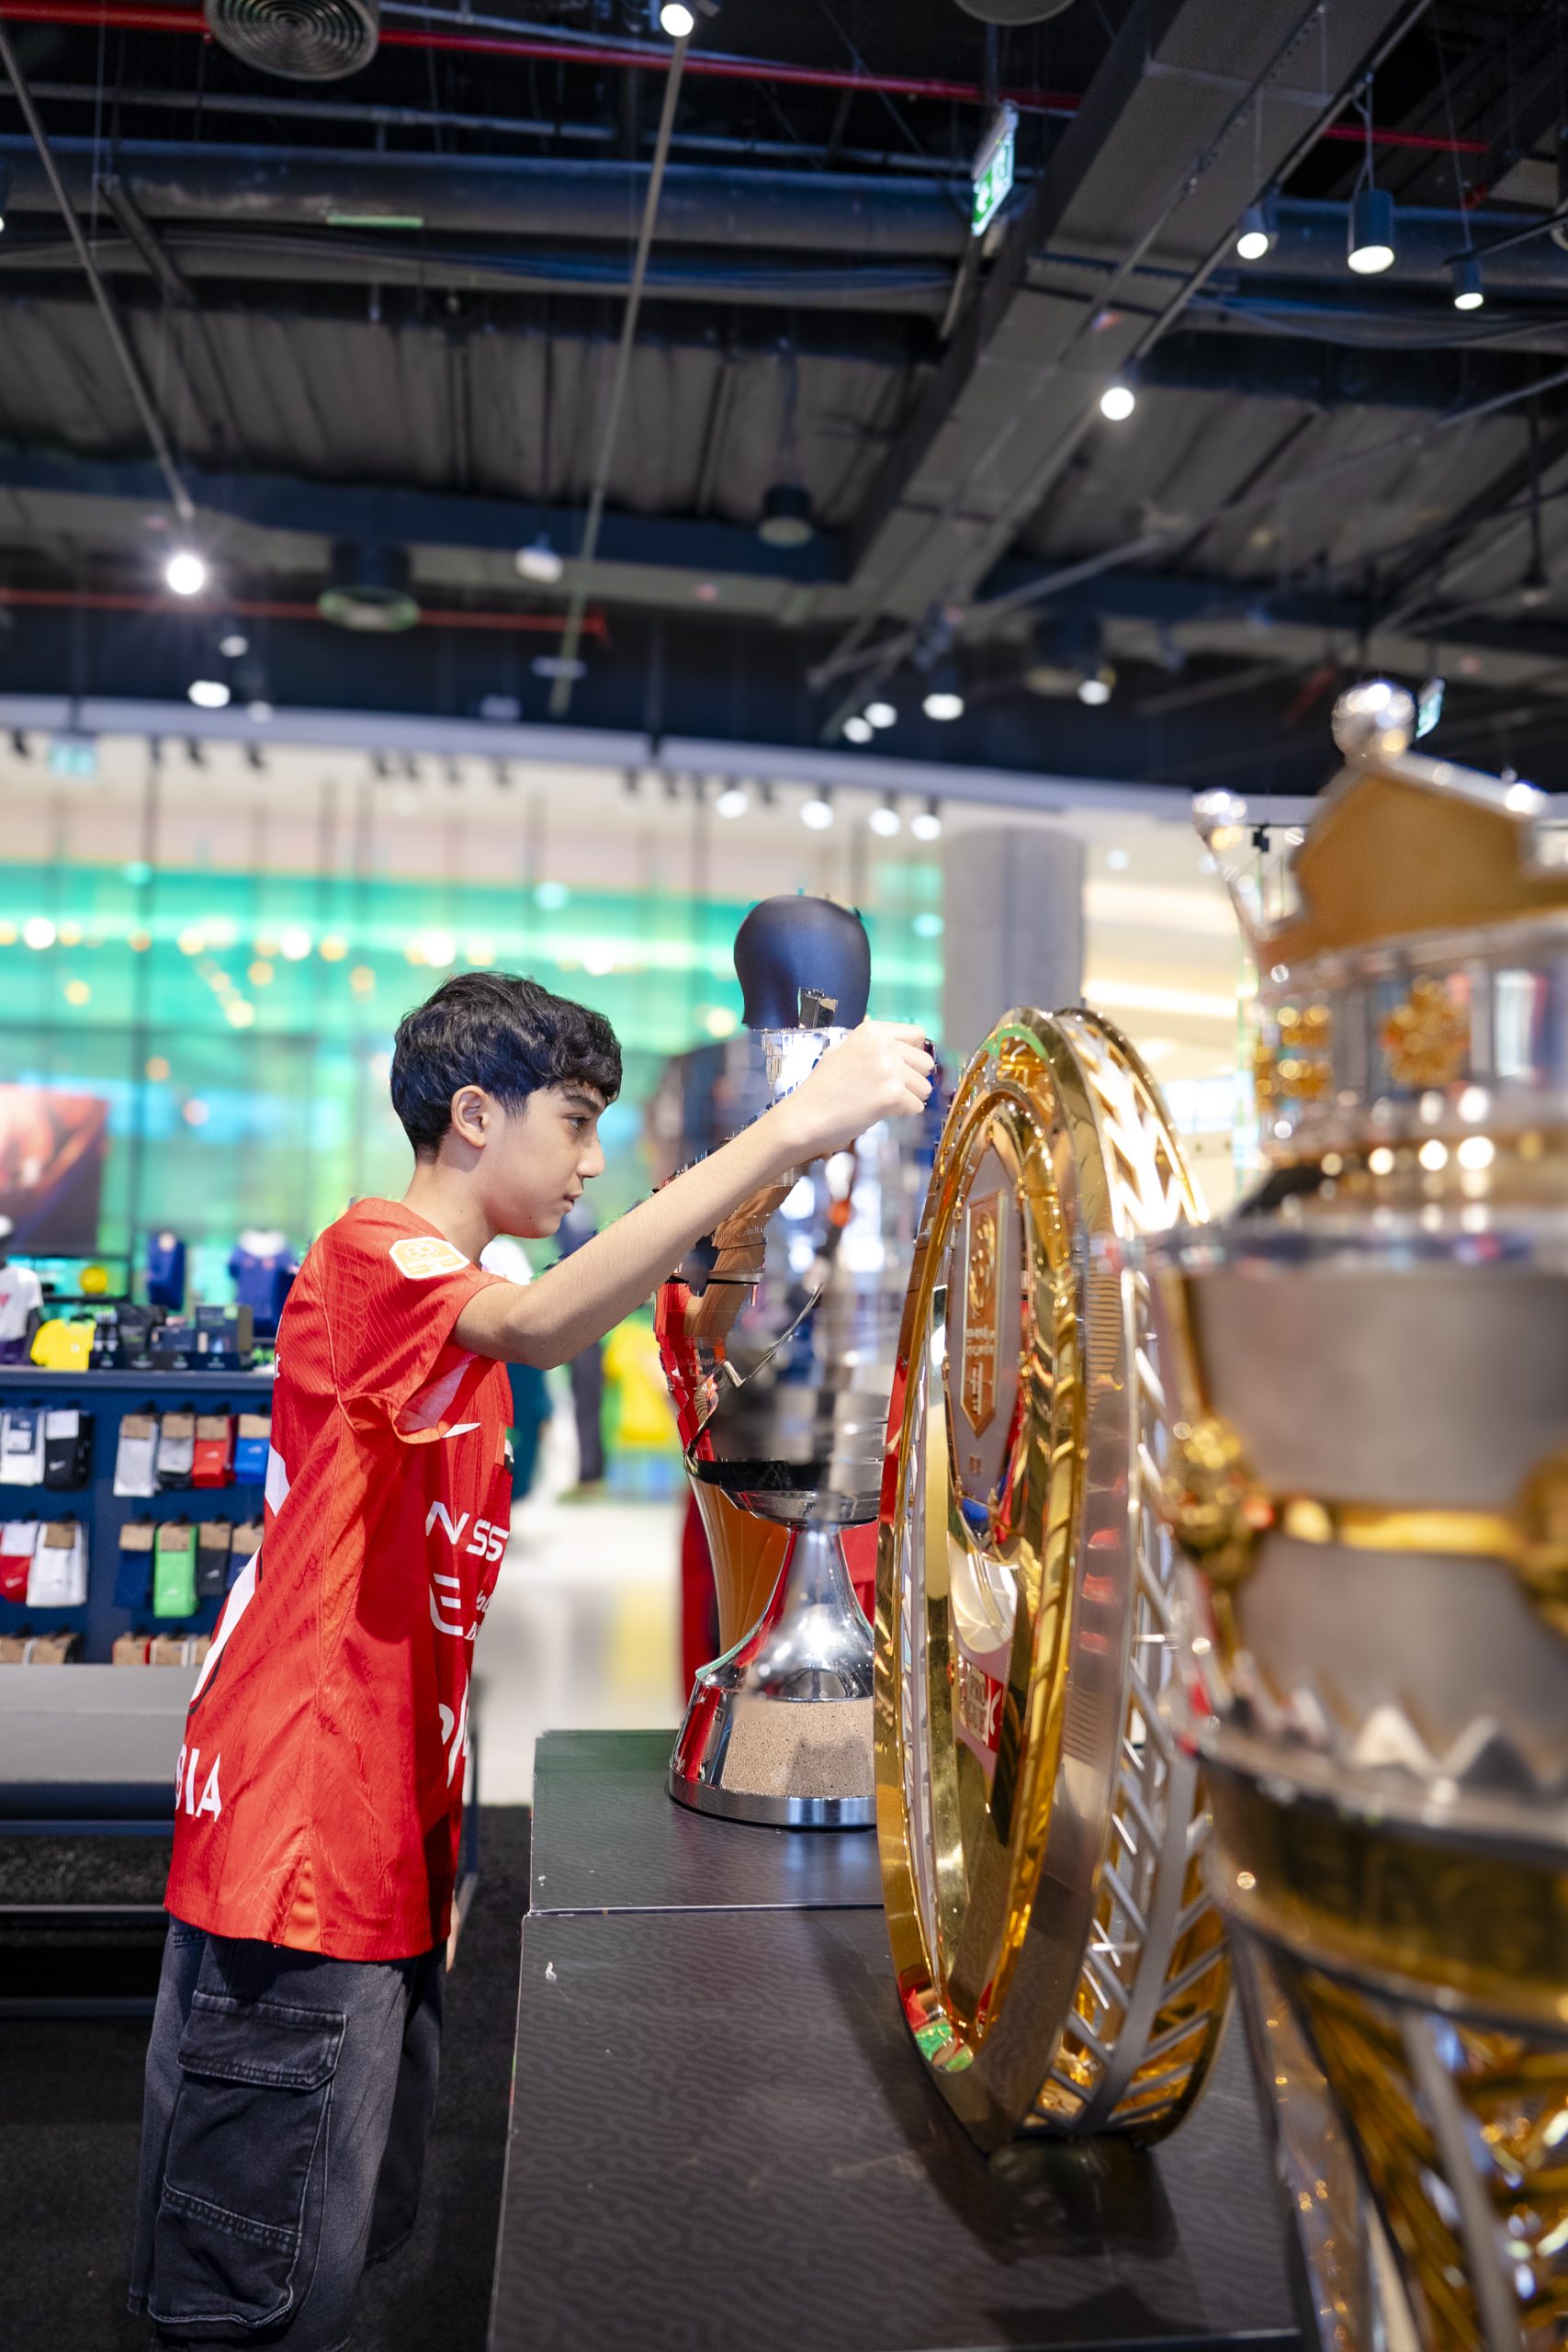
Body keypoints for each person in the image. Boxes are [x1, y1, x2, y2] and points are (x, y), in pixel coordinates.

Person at [128, 967, 931, 2351]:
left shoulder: (458, 1301)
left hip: (381, 1828)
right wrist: (794, 1125)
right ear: (475, 1115)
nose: (591, 1159)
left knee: (333, 2236)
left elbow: (623, 1326)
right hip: (298, 1844)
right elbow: (546, 1321)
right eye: (574, 1120)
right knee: (252, 2288)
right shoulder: (375, 1258)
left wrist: (776, 1197)